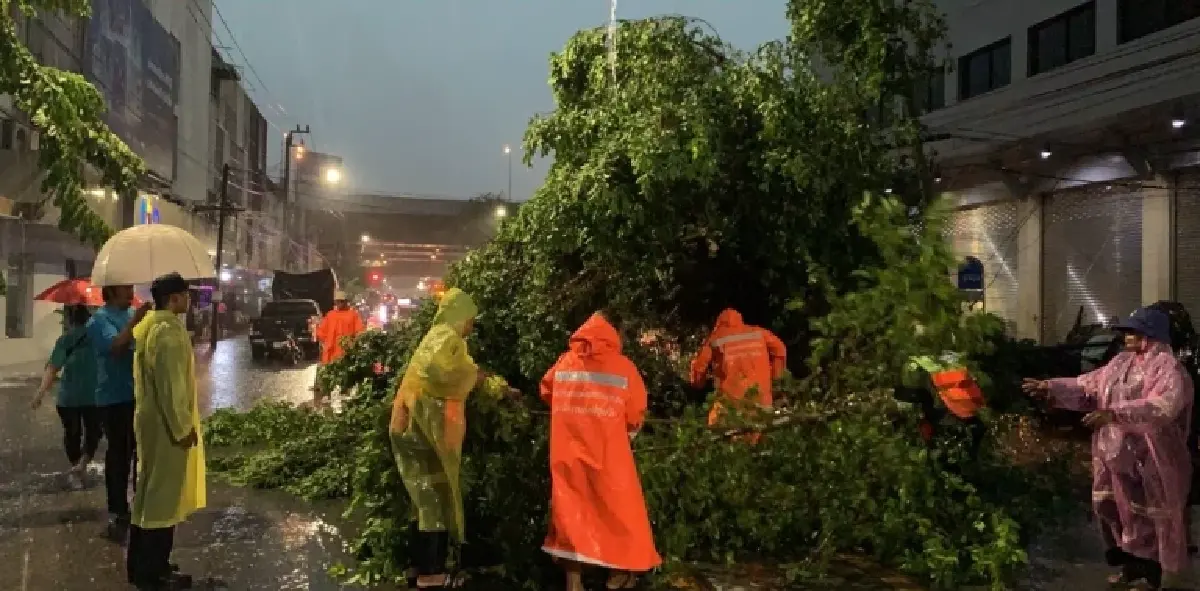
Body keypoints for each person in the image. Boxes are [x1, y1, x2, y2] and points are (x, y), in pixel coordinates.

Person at [1023, 306, 1193, 589]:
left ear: (1151, 334)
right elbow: (1087, 386)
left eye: (1133, 331)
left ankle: (1155, 575)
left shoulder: (1168, 368)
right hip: (1115, 453)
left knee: (1152, 512)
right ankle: (1131, 567)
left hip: (1153, 455)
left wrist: (1115, 413)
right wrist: (1050, 387)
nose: (1126, 336)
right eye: (1126, 331)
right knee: (1114, 507)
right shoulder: (1119, 364)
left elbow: (1163, 406)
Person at [388, 288, 516, 588]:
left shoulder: (434, 336)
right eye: (470, 319)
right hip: (427, 426)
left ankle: (417, 566)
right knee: (436, 496)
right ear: (459, 316)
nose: (471, 326)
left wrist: (488, 383)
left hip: (407, 422)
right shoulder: (448, 338)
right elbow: (448, 372)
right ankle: (432, 574)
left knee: (421, 496)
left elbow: (459, 372)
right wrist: (499, 388)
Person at [540, 311, 661, 591]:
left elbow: (546, 390)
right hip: (609, 455)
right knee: (618, 513)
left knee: (571, 515)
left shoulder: (565, 363)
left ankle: (574, 582)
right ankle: (617, 575)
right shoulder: (623, 367)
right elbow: (635, 412)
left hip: (567, 453)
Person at [127, 273, 206, 590]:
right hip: (165, 426)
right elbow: (172, 390)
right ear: (173, 298)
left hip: (150, 422)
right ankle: (153, 573)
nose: (189, 300)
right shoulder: (168, 335)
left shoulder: (150, 328)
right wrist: (183, 428)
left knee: (148, 493)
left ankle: (142, 565)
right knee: (163, 498)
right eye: (185, 295)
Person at [87, 284, 152, 541]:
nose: (131, 293)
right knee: (119, 454)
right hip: (114, 398)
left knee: (139, 451)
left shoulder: (129, 314)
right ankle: (117, 509)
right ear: (112, 292)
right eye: (126, 289)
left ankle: (139, 501)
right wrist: (136, 321)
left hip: (137, 394)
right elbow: (115, 348)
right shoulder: (99, 321)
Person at [689, 308, 786, 442]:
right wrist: (775, 378)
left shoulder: (716, 338)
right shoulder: (759, 332)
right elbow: (780, 350)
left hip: (731, 402)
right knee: (759, 435)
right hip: (761, 398)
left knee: (716, 430)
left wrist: (698, 382)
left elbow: (698, 372)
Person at [31, 304, 101, 490]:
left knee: (72, 434)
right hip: (94, 397)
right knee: (94, 432)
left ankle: (76, 466)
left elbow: (52, 369)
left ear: (71, 320)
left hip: (68, 398)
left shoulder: (65, 340)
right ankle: (82, 464)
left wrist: (40, 394)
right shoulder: (99, 337)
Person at [313, 290, 365, 405]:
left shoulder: (352, 315)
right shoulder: (331, 315)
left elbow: (359, 333)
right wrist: (314, 328)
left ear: (346, 302)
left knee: (344, 383)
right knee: (335, 383)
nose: (339, 304)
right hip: (334, 355)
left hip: (345, 354)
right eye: (338, 302)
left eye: (341, 301)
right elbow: (322, 333)